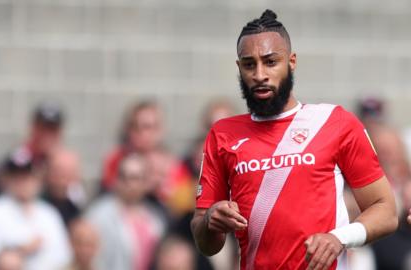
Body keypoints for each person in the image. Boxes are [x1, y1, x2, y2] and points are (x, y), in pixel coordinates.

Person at [190, 9, 397, 270]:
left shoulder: (335, 122)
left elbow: (386, 211)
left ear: (292, 61)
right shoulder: (222, 134)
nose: (260, 74)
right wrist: (210, 220)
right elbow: (206, 242)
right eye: (249, 64)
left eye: (270, 62)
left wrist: (339, 238)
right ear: (239, 67)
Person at [0, 148, 71, 270]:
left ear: (37, 179)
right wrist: (21, 251)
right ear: (7, 179)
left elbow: (64, 258)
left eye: (27, 176)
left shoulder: (49, 214)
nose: (22, 182)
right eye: (17, 176)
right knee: (9, 261)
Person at [86, 153, 165, 270]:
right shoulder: (98, 215)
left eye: (135, 178)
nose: (129, 184)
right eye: (124, 177)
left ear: (145, 182)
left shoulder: (155, 216)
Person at [42, 148, 85, 226]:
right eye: (59, 171)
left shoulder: (75, 204)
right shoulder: (38, 205)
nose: (63, 180)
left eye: (70, 172)